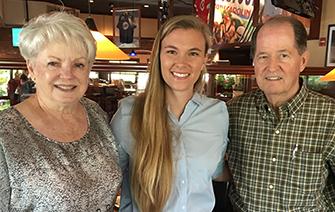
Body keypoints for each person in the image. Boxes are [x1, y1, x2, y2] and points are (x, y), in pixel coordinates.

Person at [0, 12, 122, 211]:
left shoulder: (95, 114)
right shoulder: (5, 132)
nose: (67, 75)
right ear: (31, 68)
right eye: (53, 63)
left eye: (78, 65)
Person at [111, 15, 229, 212]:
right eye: (172, 51)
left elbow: (216, 171)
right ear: (158, 56)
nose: (181, 63)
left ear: (204, 60)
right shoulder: (129, 113)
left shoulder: (218, 113)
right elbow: (109, 180)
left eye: (193, 53)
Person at [227, 15, 335, 211]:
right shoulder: (232, 112)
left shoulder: (331, 117)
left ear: (302, 61)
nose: (271, 66)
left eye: (283, 55)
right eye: (263, 56)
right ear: (254, 62)